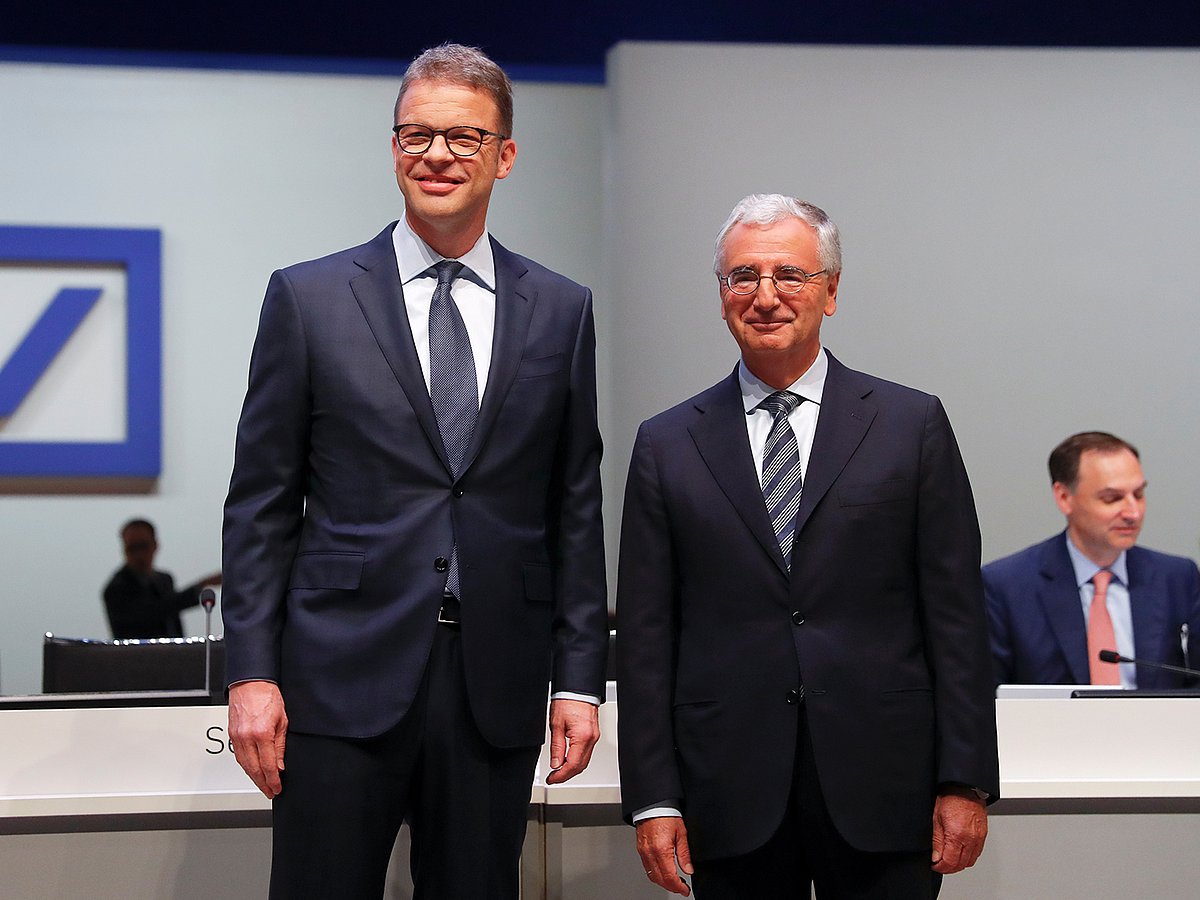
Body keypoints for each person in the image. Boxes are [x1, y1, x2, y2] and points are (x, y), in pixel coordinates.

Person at [220, 43, 608, 899]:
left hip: (493, 682)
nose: (437, 156)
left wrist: (581, 677)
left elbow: (574, 505)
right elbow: (262, 503)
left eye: (465, 139)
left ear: (505, 155)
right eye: (416, 136)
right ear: (394, 147)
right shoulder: (309, 297)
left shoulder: (562, 309)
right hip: (335, 679)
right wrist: (251, 671)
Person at [615, 194, 998, 899]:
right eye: (742, 277)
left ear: (831, 290)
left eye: (788, 275)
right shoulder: (667, 444)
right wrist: (653, 797)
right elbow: (645, 637)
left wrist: (964, 779)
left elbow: (957, 618)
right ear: (722, 293)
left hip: (887, 788)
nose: (765, 296)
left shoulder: (911, 425)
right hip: (727, 791)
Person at [983, 431, 1200, 688]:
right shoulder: (1007, 585)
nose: (1132, 512)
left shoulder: (1177, 577)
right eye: (1112, 498)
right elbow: (989, 695)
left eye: (1139, 495)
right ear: (1064, 498)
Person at [102, 518, 221, 639]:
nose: (138, 555)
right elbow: (153, 612)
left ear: (155, 545)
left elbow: (170, 618)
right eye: (132, 548)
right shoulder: (116, 588)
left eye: (143, 546)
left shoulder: (164, 580)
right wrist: (202, 584)